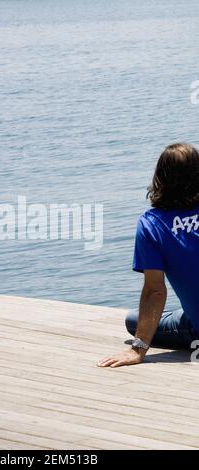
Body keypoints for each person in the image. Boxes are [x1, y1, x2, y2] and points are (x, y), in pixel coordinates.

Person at [98, 143, 199, 368]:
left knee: (132, 320)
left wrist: (138, 349)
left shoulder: (151, 224)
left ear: (160, 178)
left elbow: (155, 291)